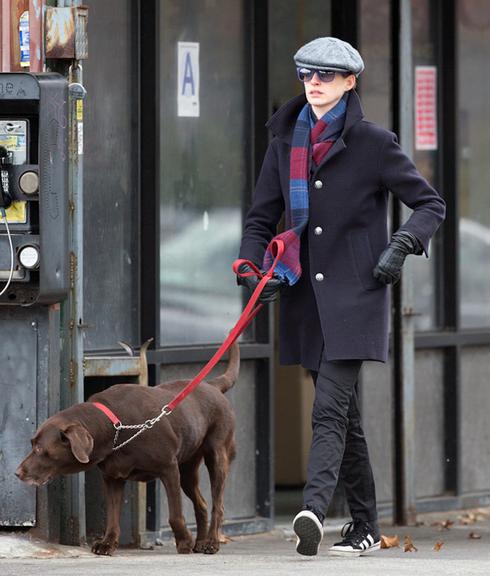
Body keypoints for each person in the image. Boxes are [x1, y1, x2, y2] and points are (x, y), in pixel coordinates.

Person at [235, 37, 446, 557]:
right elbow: (262, 216)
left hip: (357, 297)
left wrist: (401, 245)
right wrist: (248, 266)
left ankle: (311, 509)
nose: (314, 83)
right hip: (305, 296)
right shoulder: (284, 140)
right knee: (345, 417)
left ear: (350, 82)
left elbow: (430, 205)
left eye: (326, 76)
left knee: (327, 410)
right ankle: (367, 526)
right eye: (307, 74)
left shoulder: (375, 142)